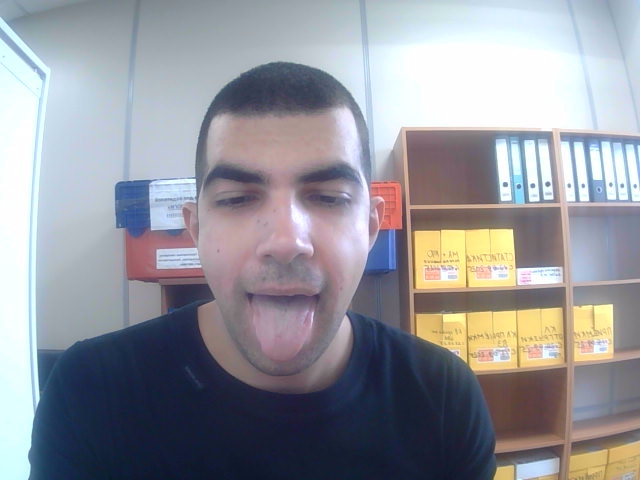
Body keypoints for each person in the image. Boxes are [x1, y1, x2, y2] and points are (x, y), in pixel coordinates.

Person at [29, 61, 496, 479]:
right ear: (195, 229)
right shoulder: (91, 392)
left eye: (328, 197)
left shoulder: (442, 396)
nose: (286, 242)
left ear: (371, 228)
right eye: (236, 199)